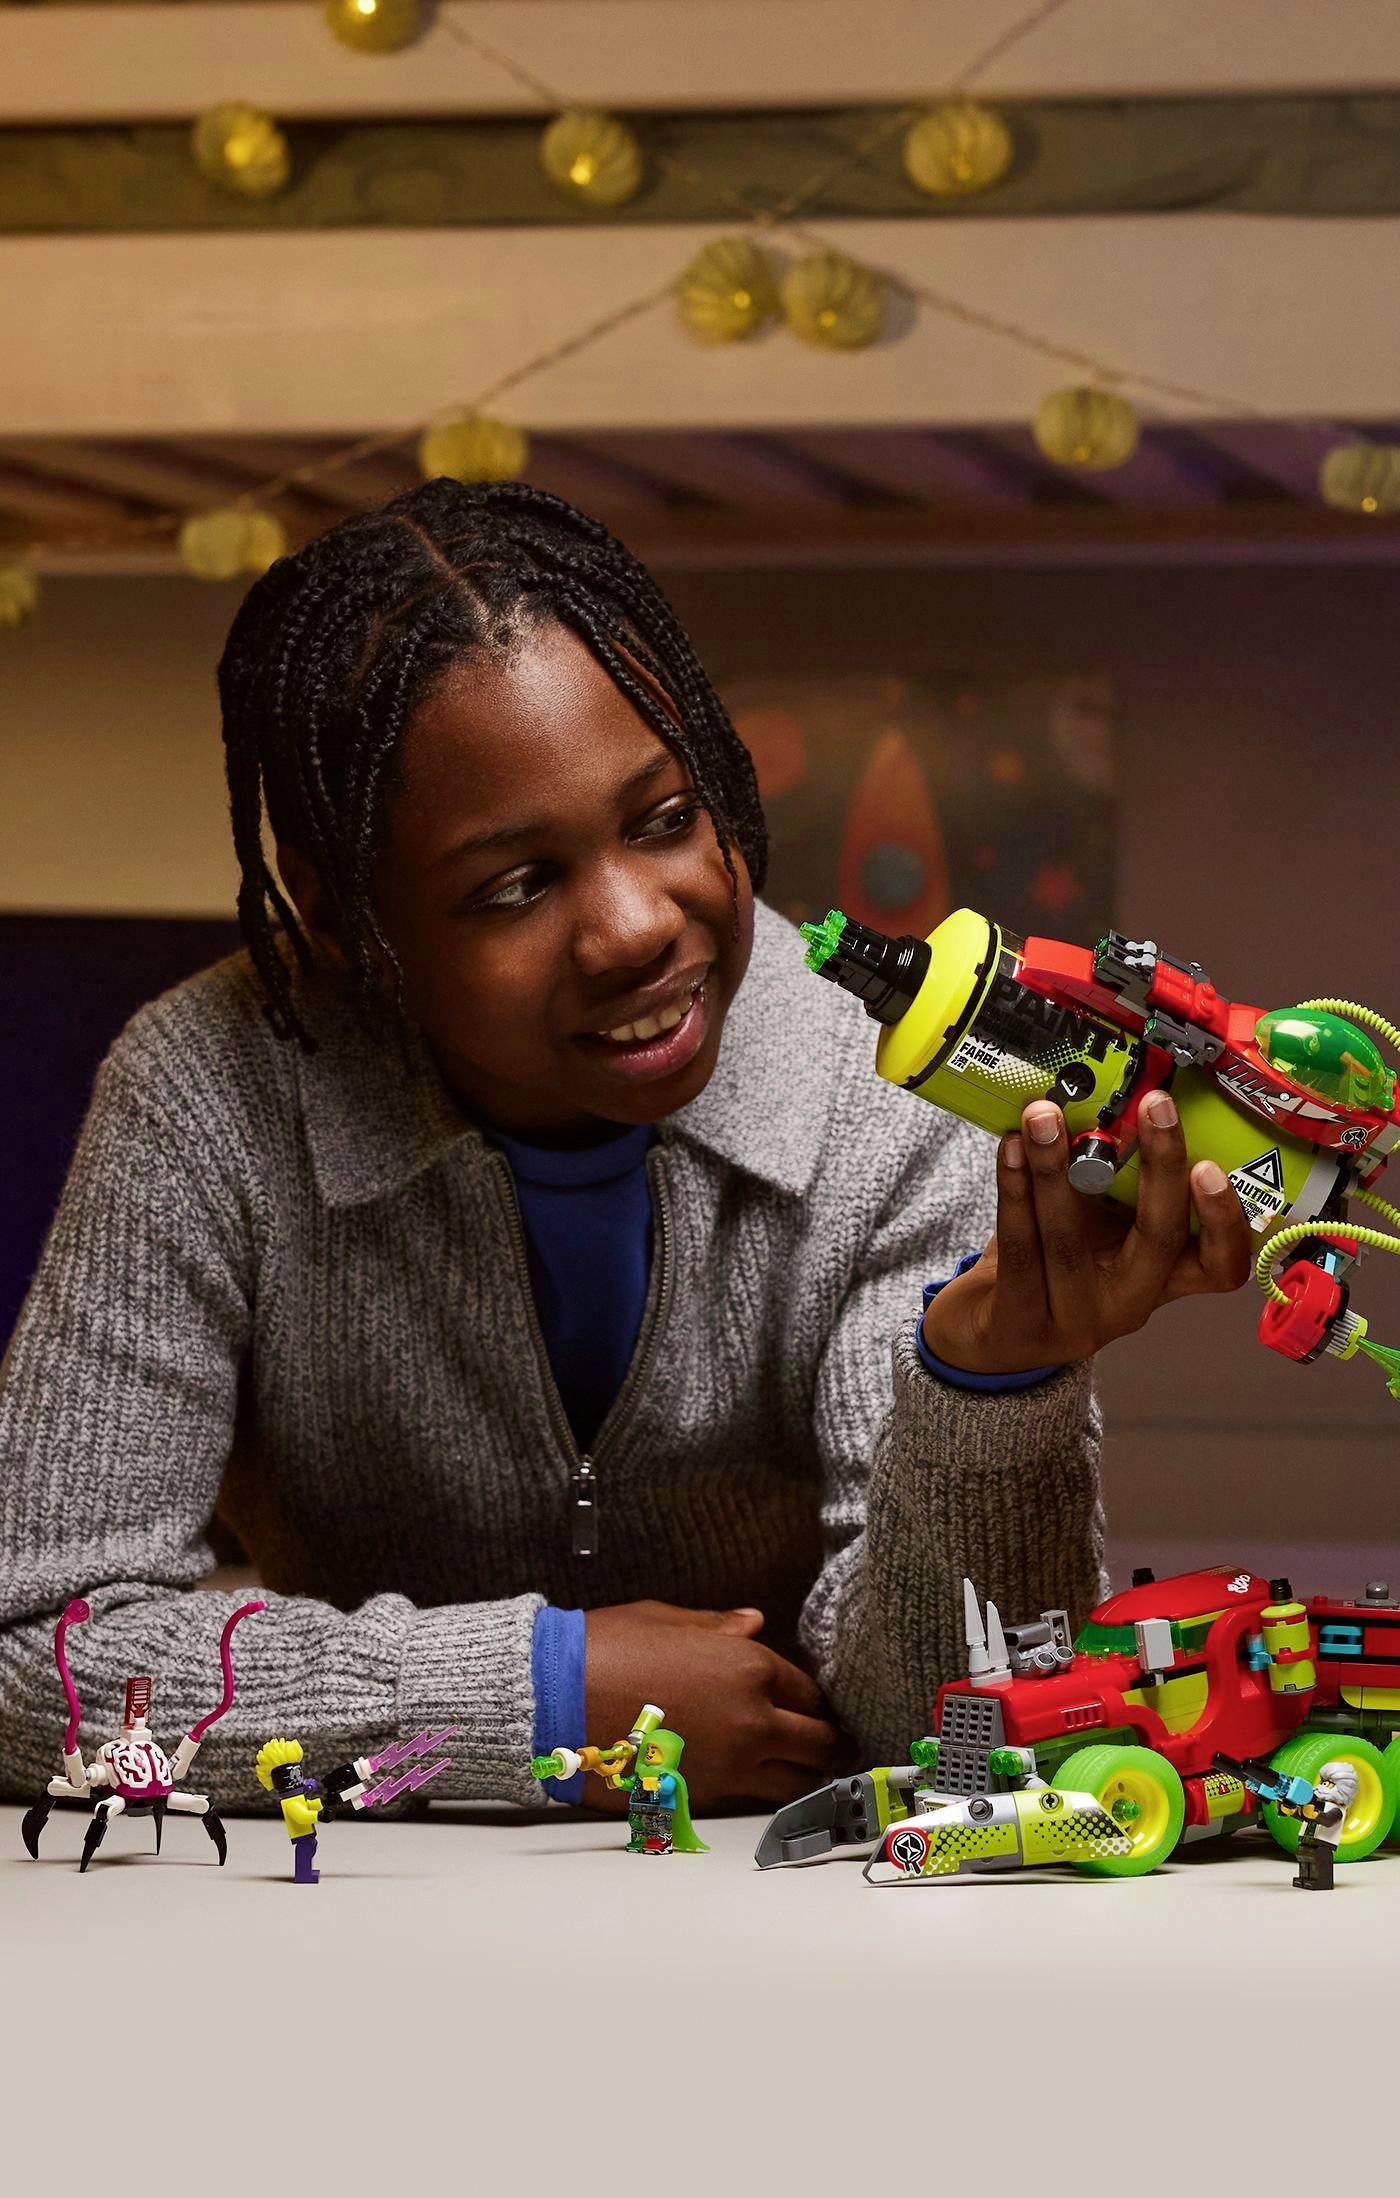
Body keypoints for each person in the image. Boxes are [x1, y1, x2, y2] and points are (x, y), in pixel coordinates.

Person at [0, 481, 1251, 1816]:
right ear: (341, 918)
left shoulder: (890, 1096)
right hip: (350, 1907)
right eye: (514, 887)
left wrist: (989, 1388)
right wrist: (544, 1693)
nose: (637, 926)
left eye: (663, 819)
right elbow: (32, 1660)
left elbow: (955, 1734)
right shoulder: (208, 1094)